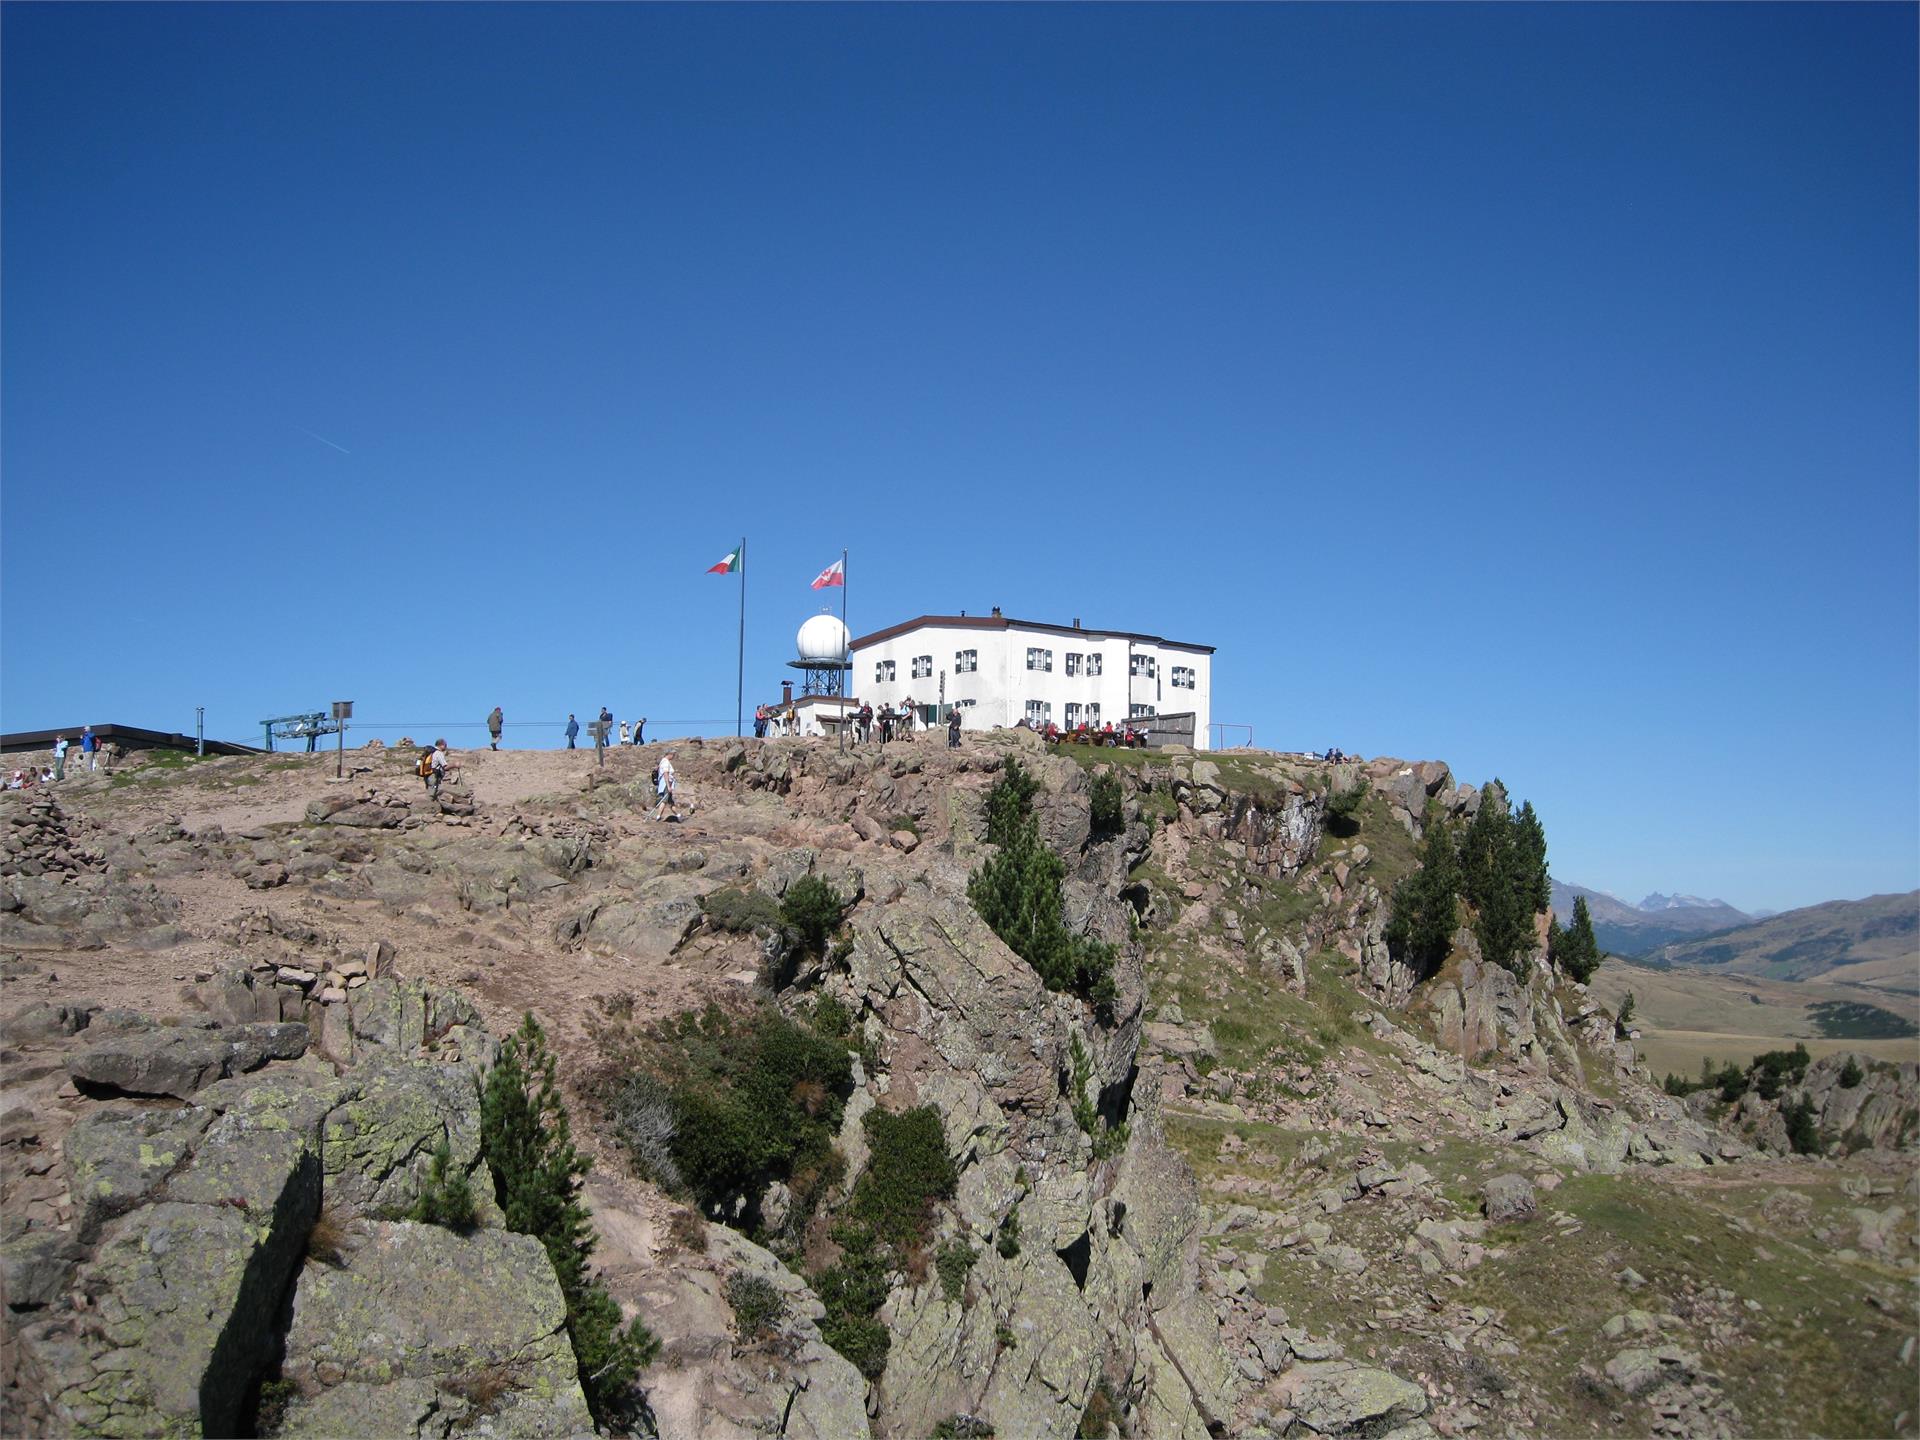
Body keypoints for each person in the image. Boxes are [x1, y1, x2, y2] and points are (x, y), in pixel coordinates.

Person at [652, 752, 677, 821]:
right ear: (669, 754)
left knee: (670, 801)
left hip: (665, 784)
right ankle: (658, 816)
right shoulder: (666, 762)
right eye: (673, 755)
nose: (673, 757)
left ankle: (679, 816)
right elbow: (666, 774)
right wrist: (669, 786)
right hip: (666, 784)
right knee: (664, 800)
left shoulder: (663, 762)